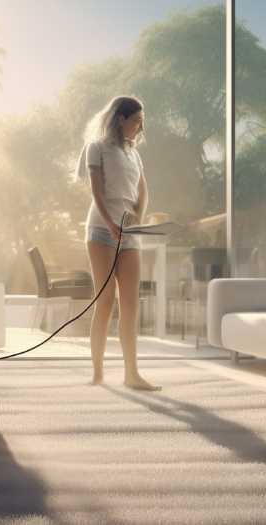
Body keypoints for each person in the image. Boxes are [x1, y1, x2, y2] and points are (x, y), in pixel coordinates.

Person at [75, 95, 160, 391]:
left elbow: (142, 191)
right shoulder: (96, 148)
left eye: (141, 122)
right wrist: (111, 225)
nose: (140, 127)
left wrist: (137, 215)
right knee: (105, 299)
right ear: (120, 118)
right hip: (101, 229)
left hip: (129, 232)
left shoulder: (134, 154)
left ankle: (131, 373)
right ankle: (98, 373)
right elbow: (97, 192)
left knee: (130, 302)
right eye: (136, 120)